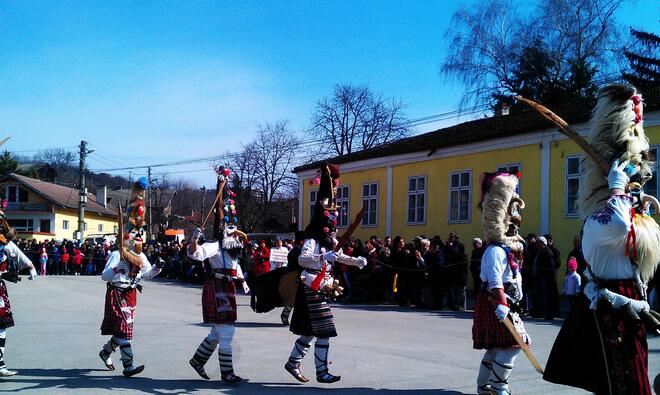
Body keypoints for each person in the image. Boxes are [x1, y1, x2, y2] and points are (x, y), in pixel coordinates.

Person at [544, 85, 660, 394]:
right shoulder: (598, 222)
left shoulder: (620, 213)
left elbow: (636, 239)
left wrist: (632, 198)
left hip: (628, 309)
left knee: (632, 379)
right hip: (608, 313)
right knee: (623, 384)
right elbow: (620, 224)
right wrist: (617, 190)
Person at [285, 163, 366, 384]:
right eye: (329, 219)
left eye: (334, 217)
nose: (333, 222)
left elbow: (337, 256)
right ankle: (321, 372)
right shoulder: (313, 239)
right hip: (312, 285)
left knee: (312, 332)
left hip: (323, 287)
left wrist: (355, 261)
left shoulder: (329, 239)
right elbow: (302, 259)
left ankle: (293, 363)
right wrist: (322, 258)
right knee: (324, 331)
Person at [187, 166, 250, 385]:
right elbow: (196, 255)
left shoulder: (233, 247)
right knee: (227, 331)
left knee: (217, 331)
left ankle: (197, 360)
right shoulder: (214, 245)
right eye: (229, 226)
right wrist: (195, 239)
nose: (233, 230)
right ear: (223, 227)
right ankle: (227, 373)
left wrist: (243, 282)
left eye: (235, 225)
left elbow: (236, 267)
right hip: (218, 289)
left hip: (229, 289)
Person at [98, 177, 163, 378]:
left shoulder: (140, 255)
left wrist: (158, 267)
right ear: (126, 235)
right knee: (125, 330)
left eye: (139, 236)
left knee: (122, 332)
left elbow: (147, 274)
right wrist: (117, 269)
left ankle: (105, 352)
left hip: (131, 294)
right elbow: (104, 276)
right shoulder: (118, 253)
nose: (136, 239)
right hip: (117, 292)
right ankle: (128, 366)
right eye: (134, 235)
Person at [472, 172, 529, 395]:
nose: (515, 230)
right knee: (514, 346)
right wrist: (502, 304)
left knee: (498, 348)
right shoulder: (495, 251)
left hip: (506, 302)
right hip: (497, 301)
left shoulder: (506, 250)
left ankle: (483, 386)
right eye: (511, 226)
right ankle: (498, 387)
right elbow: (496, 282)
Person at [0, 214, 38, 376]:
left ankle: (0, 364)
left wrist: (30, 266)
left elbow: (17, 254)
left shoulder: (5, 244)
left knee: (1, 326)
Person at [445, 232, 467, 311]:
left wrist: (451, 247)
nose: (450, 238)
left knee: (461, 290)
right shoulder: (449, 246)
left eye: (451, 237)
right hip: (452, 272)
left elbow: (458, 255)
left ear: (455, 238)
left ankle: (462, 305)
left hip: (459, 272)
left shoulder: (460, 245)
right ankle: (454, 304)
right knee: (453, 290)